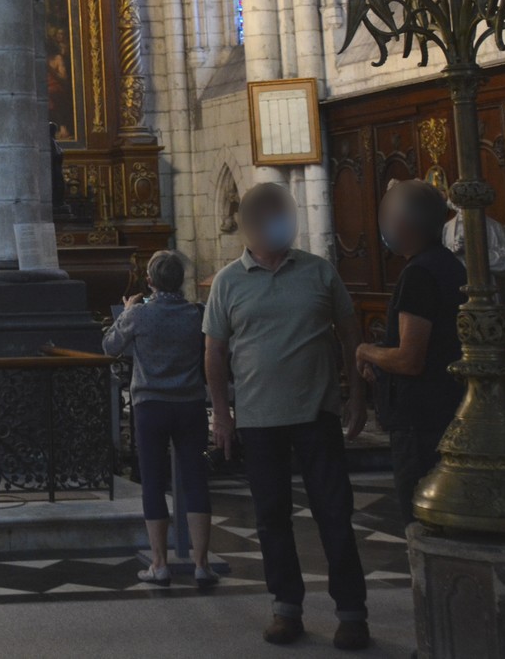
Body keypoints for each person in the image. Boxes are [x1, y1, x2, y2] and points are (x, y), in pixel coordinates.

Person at [205, 182, 369, 650]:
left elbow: (349, 334)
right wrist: (222, 415)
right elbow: (214, 352)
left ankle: (352, 612)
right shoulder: (228, 282)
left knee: (334, 513)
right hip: (257, 418)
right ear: (249, 225)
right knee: (271, 517)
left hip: (317, 412)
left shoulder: (319, 272)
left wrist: (357, 397)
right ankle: (286, 608)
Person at [102, 249, 213, 586]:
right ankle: (202, 565)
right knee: (196, 480)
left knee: (152, 481)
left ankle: (160, 564)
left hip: (150, 405)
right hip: (190, 403)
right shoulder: (197, 313)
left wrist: (128, 311)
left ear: (149, 281)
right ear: (181, 281)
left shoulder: (140, 316)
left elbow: (109, 346)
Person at [355, 179, 466, 510]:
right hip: (447, 404)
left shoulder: (419, 274)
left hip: (421, 419)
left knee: (420, 511)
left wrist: (366, 351)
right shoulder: (450, 265)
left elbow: (409, 359)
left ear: (402, 223)